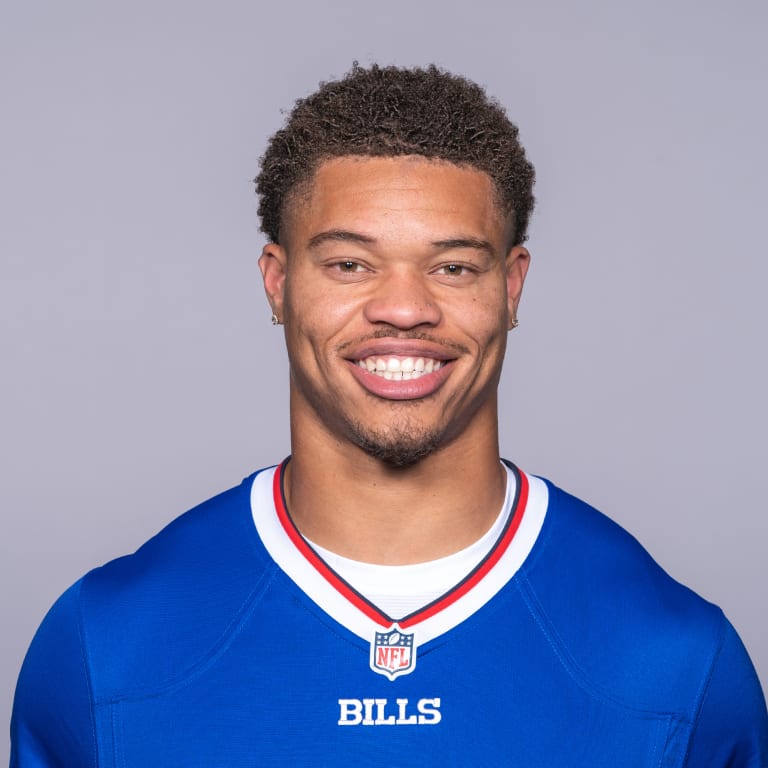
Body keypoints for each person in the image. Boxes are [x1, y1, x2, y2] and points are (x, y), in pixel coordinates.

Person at [11, 63, 767, 766]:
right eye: (349, 264)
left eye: (453, 267)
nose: (404, 308)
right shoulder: (105, 647)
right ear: (278, 284)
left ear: (511, 287)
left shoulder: (676, 662)